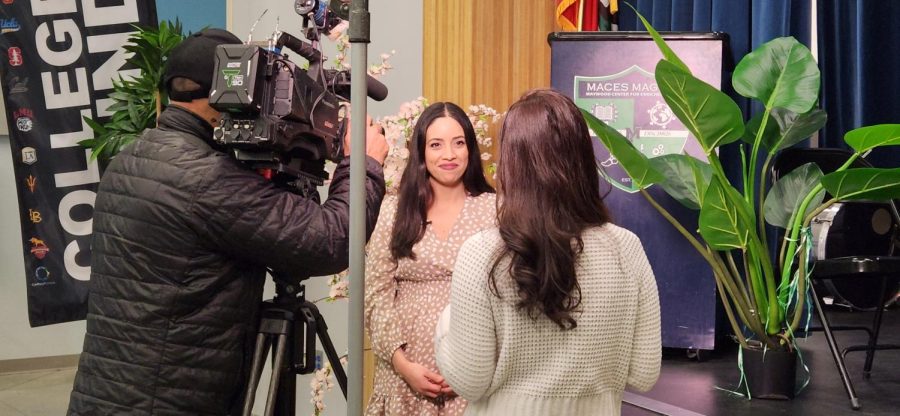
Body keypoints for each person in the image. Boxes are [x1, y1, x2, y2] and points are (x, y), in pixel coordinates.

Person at [66, 28, 389, 415]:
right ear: (220, 96)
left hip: (110, 389)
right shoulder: (206, 178)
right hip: (170, 399)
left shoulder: (130, 160)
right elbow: (329, 241)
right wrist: (362, 164)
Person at [434, 88, 661, 416]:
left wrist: (445, 325)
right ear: (583, 158)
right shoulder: (627, 248)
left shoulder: (481, 252)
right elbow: (644, 373)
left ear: (511, 163)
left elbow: (470, 381)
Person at [364, 102, 496, 415]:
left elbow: (508, 296)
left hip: (474, 379)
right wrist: (402, 364)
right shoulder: (394, 211)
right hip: (403, 380)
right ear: (421, 151)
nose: (449, 155)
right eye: (436, 145)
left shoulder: (496, 210)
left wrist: (474, 368)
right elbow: (375, 293)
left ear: (470, 149)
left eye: (458, 143)